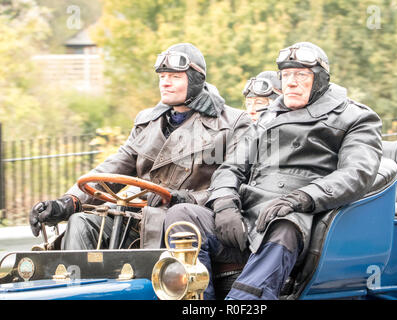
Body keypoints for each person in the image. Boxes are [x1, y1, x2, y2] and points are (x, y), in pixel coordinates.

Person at [163, 41, 383, 300]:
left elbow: (358, 173)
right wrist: (224, 205)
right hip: (247, 219)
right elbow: (231, 167)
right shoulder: (269, 116)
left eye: (301, 75)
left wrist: (300, 198)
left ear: (321, 79)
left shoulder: (354, 117)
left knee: (285, 224)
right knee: (182, 214)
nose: (291, 82)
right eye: (287, 75)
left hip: (299, 222)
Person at [28, 43, 254, 260]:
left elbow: (237, 183)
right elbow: (114, 167)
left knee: (168, 225)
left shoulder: (232, 123)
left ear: (195, 81)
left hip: (187, 222)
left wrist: (187, 198)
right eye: (162, 77)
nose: (165, 83)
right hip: (141, 217)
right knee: (81, 222)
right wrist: (67, 202)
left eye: (175, 77)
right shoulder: (147, 122)